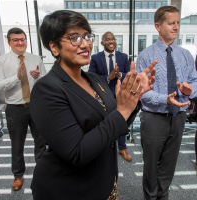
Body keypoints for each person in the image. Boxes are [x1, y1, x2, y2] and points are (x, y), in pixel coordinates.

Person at [30, 10, 157, 200]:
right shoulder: (47, 88)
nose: (85, 43)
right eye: (74, 37)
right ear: (54, 47)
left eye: (87, 36)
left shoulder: (95, 79)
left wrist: (132, 99)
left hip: (104, 179)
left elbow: (115, 124)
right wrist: (122, 110)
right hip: (72, 188)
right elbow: (77, 153)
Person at [136, 6, 197, 200]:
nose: (176, 27)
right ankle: (150, 197)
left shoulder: (185, 54)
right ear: (158, 26)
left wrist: (190, 91)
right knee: (151, 166)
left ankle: (163, 197)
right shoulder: (146, 56)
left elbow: (194, 81)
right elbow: (142, 93)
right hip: (154, 117)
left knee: (169, 166)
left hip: (179, 117)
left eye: (178, 23)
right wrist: (165, 99)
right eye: (171, 23)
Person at [0, 28, 47, 191]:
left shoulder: (36, 59)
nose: (20, 42)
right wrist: (16, 77)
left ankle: (42, 171)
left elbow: (46, 82)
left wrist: (37, 76)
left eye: (22, 39)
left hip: (36, 106)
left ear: (26, 40)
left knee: (41, 141)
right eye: (16, 39)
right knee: (17, 144)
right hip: (15, 108)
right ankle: (18, 175)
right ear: (9, 42)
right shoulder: (1, 61)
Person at [88, 32, 132, 162]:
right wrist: (108, 77)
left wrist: (119, 75)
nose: (111, 41)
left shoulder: (123, 57)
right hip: (102, 96)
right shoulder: (96, 58)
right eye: (107, 39)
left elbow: (129, 75)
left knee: (121, 120)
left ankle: (122, 148)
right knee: (104, 122)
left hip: (120, 95)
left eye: (113, 39)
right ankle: (105, 147)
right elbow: (90, 77)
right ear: (102, 43)